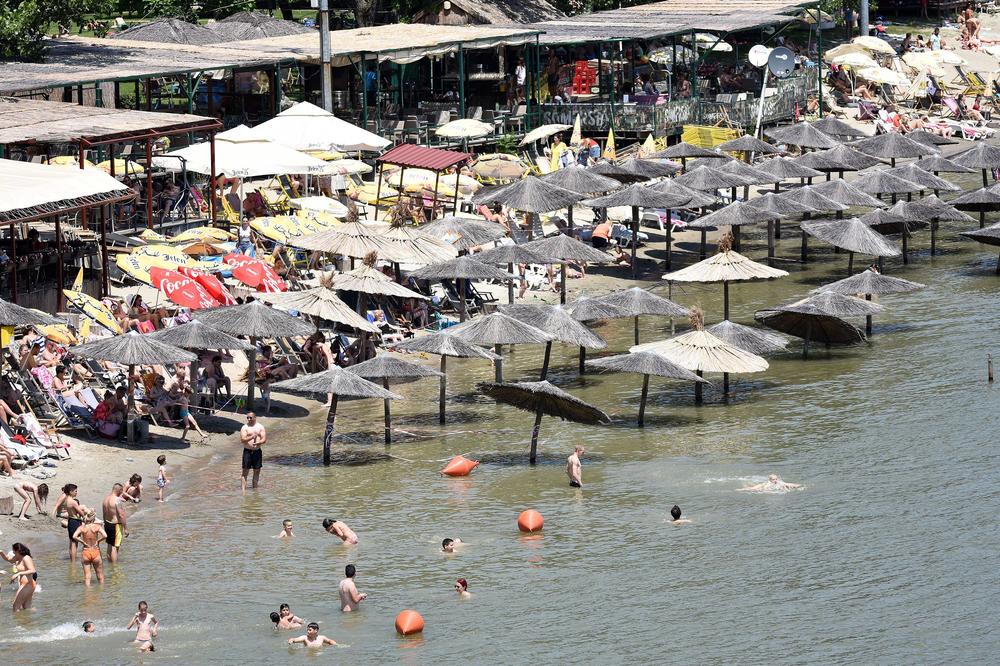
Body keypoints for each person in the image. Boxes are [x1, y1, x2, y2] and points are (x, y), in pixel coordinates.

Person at [52, 483, 87, 562]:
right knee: (75, 543)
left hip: (71, 520)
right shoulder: (73, 502)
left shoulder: (67, 500)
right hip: (75, 521)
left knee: (71, 542)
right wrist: (85, 517)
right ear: (71, 491)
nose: (76, 493)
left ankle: (72, 561)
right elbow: (81, 513)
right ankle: (73, 562)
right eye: (75, 491)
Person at [72, 511, 107, 585]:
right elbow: (105, 536)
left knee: (87, 577)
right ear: (93, 519)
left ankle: (87, 594)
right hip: (95, 551)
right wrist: (98, 541)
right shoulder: (97, 527)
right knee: (100, 575)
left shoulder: (82, 527)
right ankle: (101, 591)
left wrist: (83, 542)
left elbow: (74, 536)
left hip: (86, 552)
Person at [2, 543, 37, 611]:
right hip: (26, 585)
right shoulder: (18, 558)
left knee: (15, 607)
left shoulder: (26, 558)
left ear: (18, 551)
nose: (13, 552)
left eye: (14, 551)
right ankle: (31, 621)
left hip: (28, 585)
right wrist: (1, 552)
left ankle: (18, 620)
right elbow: (8, 559)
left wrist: (18, 574)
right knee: (26, 607)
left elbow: (32, 570)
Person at [102, 483, 129, 563]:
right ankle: (114, 567)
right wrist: (125, 528)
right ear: (119, 490)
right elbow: (121, 515)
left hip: (107, 523)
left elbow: (104, 513)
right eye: (121, 491)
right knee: (115, 546)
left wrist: (105, 524)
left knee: (109, 545)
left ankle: (110, 564)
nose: (122, 493)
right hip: (115, 525)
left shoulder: (105, 499)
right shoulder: (117, 500)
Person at [240, 412, 266, 491]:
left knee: (257, 471)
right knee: (245, 471)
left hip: (257, 451)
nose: (249, 419)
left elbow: (264, 439)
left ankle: (255, 490)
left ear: (255, 417)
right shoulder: (245, 427)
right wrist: (251, 437)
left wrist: (259, 442)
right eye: (247, 418)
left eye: (250, 418)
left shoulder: (260, 427)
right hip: (247, 451)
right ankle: (243, 491)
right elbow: (242, 440)